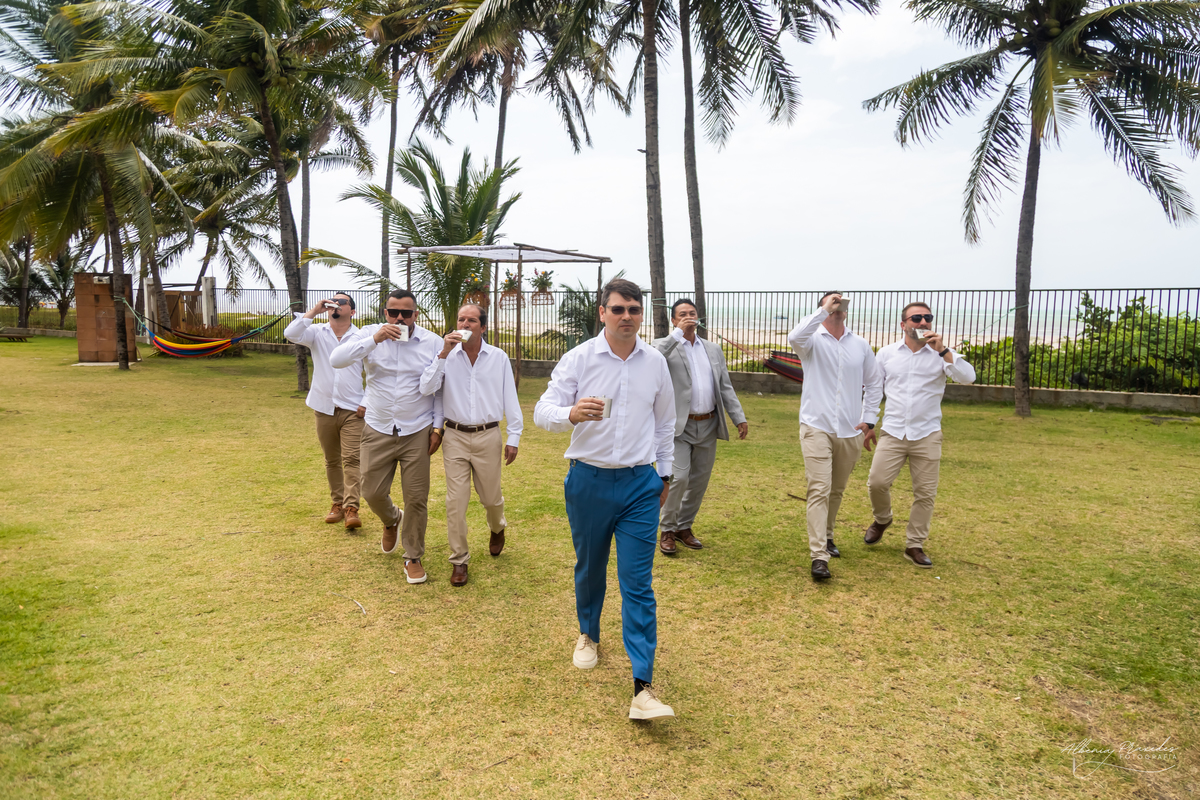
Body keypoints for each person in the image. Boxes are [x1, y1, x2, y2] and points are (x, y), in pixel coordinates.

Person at [533, 278, 677, 721]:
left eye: (634, 309)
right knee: (590, 566)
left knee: (638, 583)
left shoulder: (655, 362)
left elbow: (665, 424)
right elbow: (542, 411)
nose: (626, 317)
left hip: (639, 486)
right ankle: (588, 633)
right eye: (618, 309)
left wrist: (664, 475)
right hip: (588, 481)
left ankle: (643, 686)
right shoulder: (579, 358)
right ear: (602, 313)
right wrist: (571, 413)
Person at [330, 289, 443, 585]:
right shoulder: (369, 334)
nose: (399, 318)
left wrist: (437, 427)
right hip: (378, 427)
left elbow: (440, 388)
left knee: (416, 498)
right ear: (386, 313)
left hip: (416, 429)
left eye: (406, 313)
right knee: (371, 492)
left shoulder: (432, 342)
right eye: (394, 312)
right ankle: (392, 519)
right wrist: (375, 339)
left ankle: (413, 556)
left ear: (415, 315)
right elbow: (336, 359)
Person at [864, 302, 976, 567]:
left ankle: (914, 544)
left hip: (927, 433)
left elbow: (968, 377)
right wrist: (869, 422)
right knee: (877, 483)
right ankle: (882, 519)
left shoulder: (942, 354)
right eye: (916, 318)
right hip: (893, 431)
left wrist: (944, 351)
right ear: (903, 324)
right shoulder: (887, 354)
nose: (923, 322)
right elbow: (874, 389)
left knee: (925, 493)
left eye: (927, 317)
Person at [419, 303, 523, 587]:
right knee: (455, 502)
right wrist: (443, 353)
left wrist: (514, 436)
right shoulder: (446, 356)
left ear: (483, 326)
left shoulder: (498, 357)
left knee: (491, 498)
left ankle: (497, 527)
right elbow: (428, 389)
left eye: (472, 320)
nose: (465, 324)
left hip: (488, 435)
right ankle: (459, 560)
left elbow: (510, 397)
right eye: (461, 319)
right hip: (455, 436)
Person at [788, 291, 883, 582]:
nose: (838, 307)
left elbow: (874, 383)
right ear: (823, 307)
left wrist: (869, 418)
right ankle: (819, 555)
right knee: (819, 488)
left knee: (836, 490)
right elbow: (794, 337)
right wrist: (823, 311)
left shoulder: (860, 344)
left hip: (850, 429)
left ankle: (828, 535)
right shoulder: (811, 340)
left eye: (841, 304)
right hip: (816, 425)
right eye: (833, 302)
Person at [652, 298, 748, 554]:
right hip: (679, 427)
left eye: (692, 313)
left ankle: (684, 527)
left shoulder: (713, 349)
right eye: (682, 314)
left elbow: (725, 386)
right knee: (678, 478)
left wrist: (738, 417)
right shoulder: (665, 346)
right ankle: (667, 529)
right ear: (674, 320)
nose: (688, 317)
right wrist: (677, 334)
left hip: (708, 424)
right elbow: (654, 357)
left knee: (699, 481)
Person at [283, 293, 366, 530]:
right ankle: (337, 503)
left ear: (352, 311)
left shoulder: (361, 336)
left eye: (342, 302)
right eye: (332, 301)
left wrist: (367, 401)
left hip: (352, 408)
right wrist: (314, 311)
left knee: (352, 459)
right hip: (324, 407)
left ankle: (352, 508)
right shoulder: (317, 332)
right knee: (332, 460)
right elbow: (291, 334)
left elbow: (375, 371)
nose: (335, 304)